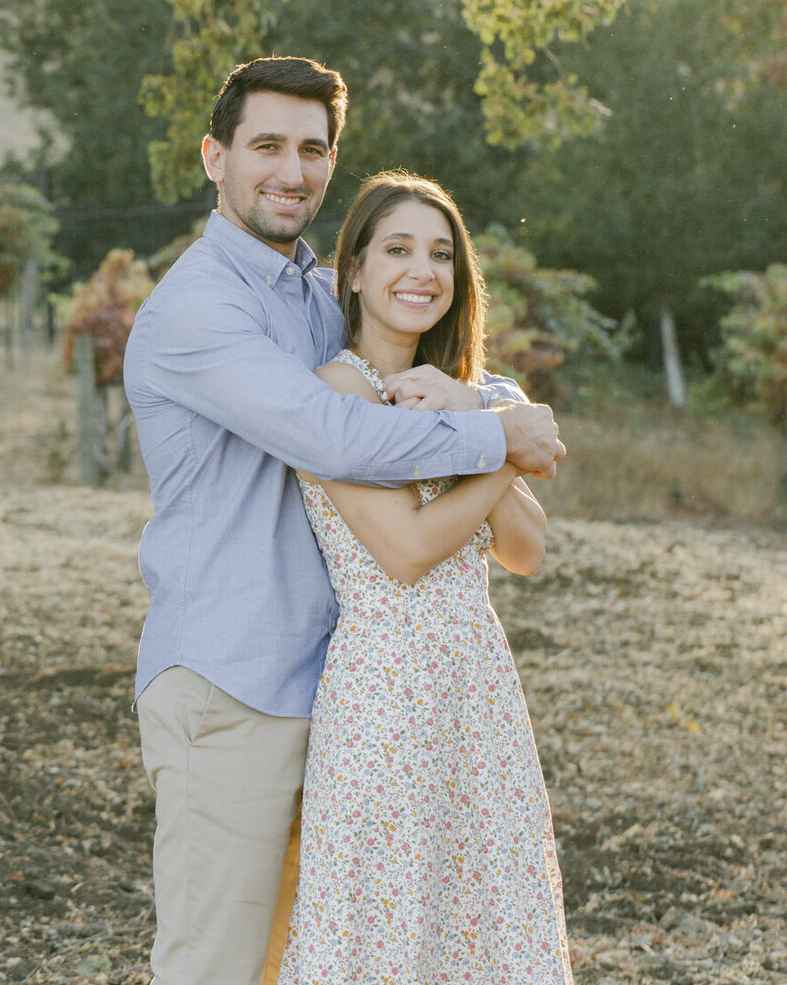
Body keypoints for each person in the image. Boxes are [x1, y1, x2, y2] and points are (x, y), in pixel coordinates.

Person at [123, 55, 566, 985]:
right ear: (215, 156)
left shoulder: (312, 295)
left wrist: (467, 404)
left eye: (313, 150)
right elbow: (337, 435)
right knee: (218, 967)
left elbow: (400, 371)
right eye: (266, 146)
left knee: (323, 958)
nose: (293, 170)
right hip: (231, 683)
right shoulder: (200, 308)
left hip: (339, 686)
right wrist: (496, 432)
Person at [273, 170, 573, 985]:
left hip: (476, 687)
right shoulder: (335, 392)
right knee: (389, 928)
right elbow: (403, 553)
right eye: (397, 249)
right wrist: (495, 439)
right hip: (385, 694)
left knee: (482, 921)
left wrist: (473, 412)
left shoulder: (467, 391)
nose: (422, 270)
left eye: (441, 254)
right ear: (357, 272)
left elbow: (525, 551)